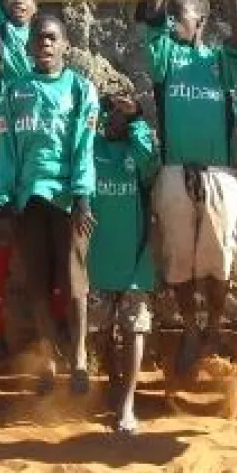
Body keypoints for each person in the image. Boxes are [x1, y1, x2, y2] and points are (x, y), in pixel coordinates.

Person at [141, 0, 237, 373]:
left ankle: (215, 328)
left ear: (201, 22)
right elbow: (153, 11)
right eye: (171, 18)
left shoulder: (219, 61)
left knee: (220, 259)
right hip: (173, 174)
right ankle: (189, 328)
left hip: (219, 175)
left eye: (180, 17)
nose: (171, 23)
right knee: (178, 262)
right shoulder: (165, 57)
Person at [0, 14, 99, 394]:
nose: (45, 44)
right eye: (38, 39)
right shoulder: (14, 92)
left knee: (74, 282)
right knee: (37, 283)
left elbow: (84, 145)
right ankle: (49, 355)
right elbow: (5, 148)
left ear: (65, 44)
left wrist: (82, 196)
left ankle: (79, 357)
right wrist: (1, 200)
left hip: (67, 199)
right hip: (27, 199)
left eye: (52, 38)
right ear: (29, 46)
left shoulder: (80, 88)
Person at [0, 0, 67, 360]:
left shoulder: (53, 56)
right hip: (8, 154)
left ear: (36, 5)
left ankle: (56, 333)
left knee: (53, 254)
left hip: (47, 169)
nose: (17, 1)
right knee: (0, 242)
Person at [87, 94, 159, 434]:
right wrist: (95, 114)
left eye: (122, 112)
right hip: (97, 258)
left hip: (134, 258)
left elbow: (151, 164)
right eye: (111, 110)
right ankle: (114, 381)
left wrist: (138, 120)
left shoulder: (136, 151)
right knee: (99, 329)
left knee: (134, 327)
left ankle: (127, 404)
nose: (115, 117)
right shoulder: (92, 148)